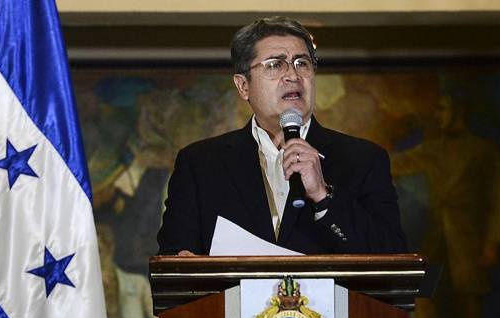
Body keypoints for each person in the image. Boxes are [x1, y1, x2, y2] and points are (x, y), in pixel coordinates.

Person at [157, 16, 406, 255]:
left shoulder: (364, 159)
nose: (293, 76)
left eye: (302, 63)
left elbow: (394, 261)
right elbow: (174, 262)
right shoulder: (200, 164)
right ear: (243, 86)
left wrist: (323, 196)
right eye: (275, 65)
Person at [391, 94, 500, 318]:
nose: (439, 115)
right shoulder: (433, 149)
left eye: (444, 109)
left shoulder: (484, 151)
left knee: (469, 313)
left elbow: (497, 201)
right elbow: (395, 164)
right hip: (436, 239)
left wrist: (492, 242)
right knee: (423, 303)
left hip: (469, 242)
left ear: (460, 112)